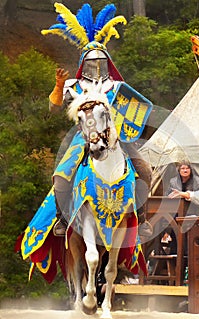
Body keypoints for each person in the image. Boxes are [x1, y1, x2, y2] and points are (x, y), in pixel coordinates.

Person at [43, 3, 153, 238]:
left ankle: (141, 220)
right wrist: (59, 85)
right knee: (61, 175)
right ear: (83, 62)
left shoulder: (117, 87)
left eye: (100, 61)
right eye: (92, 62)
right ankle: (63, 220)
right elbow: (53, 108)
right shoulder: (74, 86)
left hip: (116, 139)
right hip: (82, 138)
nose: (96, 66)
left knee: (144, 170)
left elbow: (136, 111)